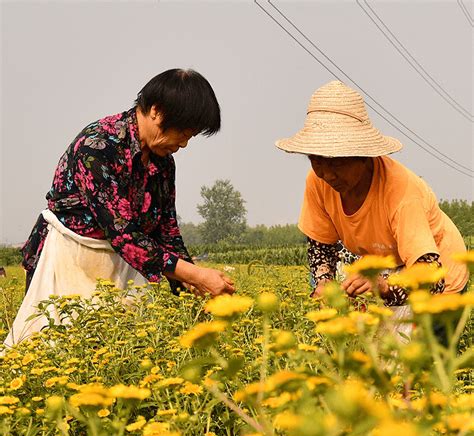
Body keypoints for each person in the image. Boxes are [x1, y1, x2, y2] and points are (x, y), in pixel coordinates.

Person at [6, 68, 234, 347]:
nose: (184, 144)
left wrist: (193, 289)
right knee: (56, 345)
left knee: (125, 348)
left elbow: (166, 228)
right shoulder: (97, 146)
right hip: (70, 259)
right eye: (182, 133)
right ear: (156, 111)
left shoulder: (162, 160)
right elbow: (123, 233)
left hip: (122, 267)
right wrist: (196, 275)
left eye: (191, 136)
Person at [275, 81, 469, 313]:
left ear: (365, 156)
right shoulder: (317, 181)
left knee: (421, 348)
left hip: (439, 274)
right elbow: (321, 246)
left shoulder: (401, 191)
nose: (327, 174)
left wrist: (385, 287)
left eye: (337, 163)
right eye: (316, 161)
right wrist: (324, 282)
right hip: (386, 267)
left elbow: (431, 276)